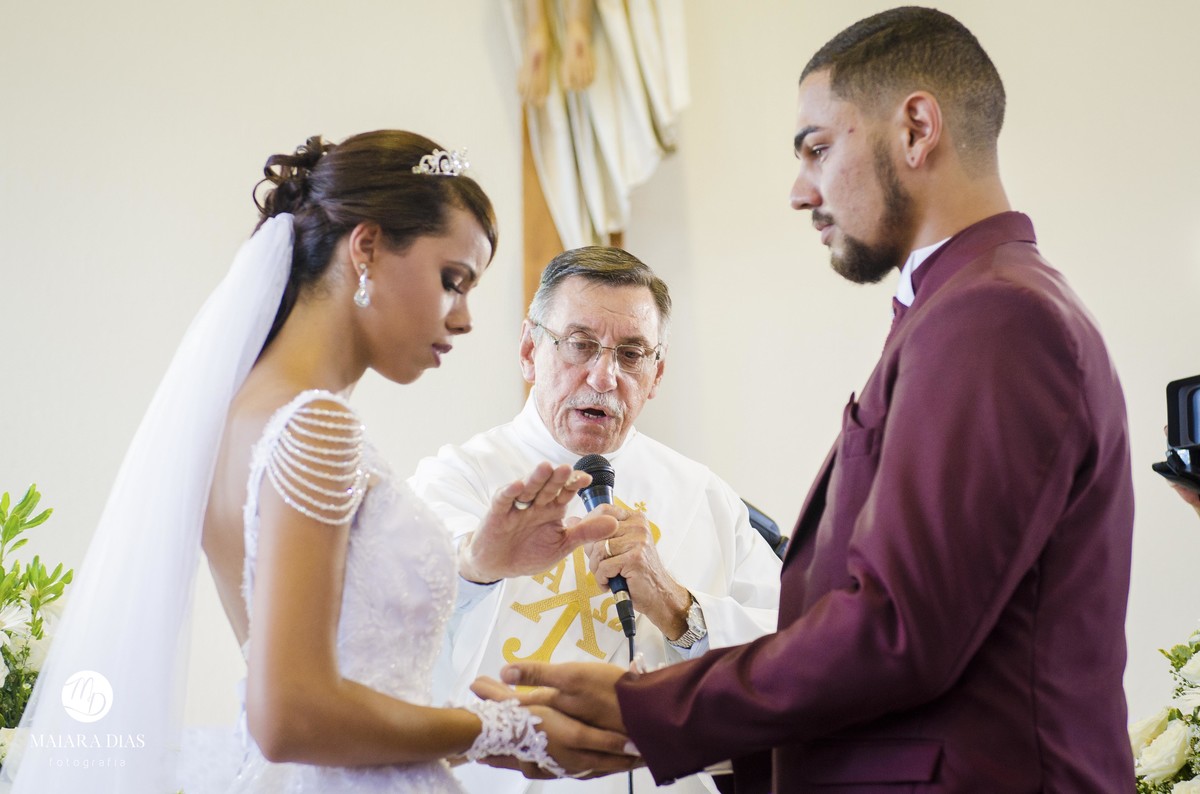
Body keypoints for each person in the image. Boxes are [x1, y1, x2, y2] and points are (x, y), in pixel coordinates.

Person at [480, 8, 1136, 792]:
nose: (800, 192)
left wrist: (650, 712)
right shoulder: (965, 307)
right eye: (577, 345)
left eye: (819, 150)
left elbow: (899, 628)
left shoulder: (996, 315)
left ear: (916, 128)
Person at [7, 131, 638, 793]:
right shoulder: (314, 426)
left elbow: (329, 654)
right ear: (365, 248)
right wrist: (504, 728)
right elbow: (290, 714)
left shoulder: (240, 415)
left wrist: (478, 566)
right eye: (453, 281)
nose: (465, 319)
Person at [409, 245, 782, 793]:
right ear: (528, 349)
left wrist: (681, 610)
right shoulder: (456, 480)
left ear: (656, 374)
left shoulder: (706, 496)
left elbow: (789, 656)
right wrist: (478, 566)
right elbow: (398, 625)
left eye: (631, 354)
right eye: (579, 345)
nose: (604, 376)